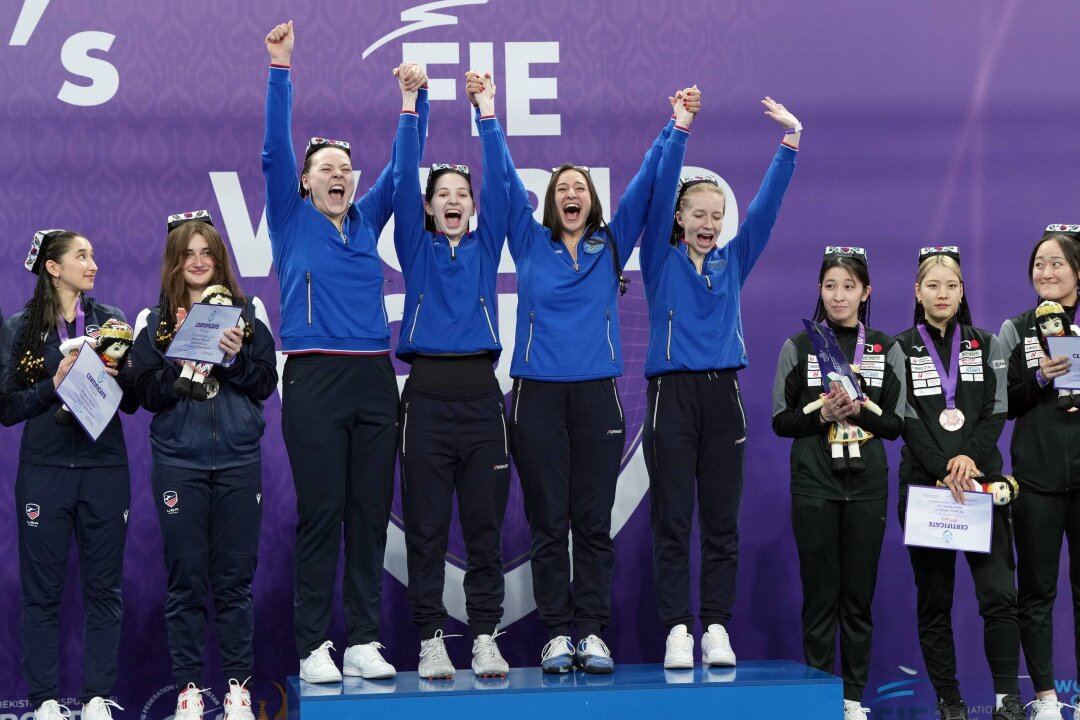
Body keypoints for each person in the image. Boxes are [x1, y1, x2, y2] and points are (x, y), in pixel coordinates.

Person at [461, 70, 674, 674]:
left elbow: (646, 186)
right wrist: (487, 113)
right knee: (549, 522)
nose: (571, 194)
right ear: (552, 201)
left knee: (593, 523)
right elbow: (503, 179)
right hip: (536, 399)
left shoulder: (612, 244)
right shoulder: (529, 242)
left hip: (597, 398)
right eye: (562, 188)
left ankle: (593, 633)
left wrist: (674, 129)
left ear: (592, 201)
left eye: (580, 187)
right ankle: (558, 632)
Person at [262, 21, 428, 683]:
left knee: (368, 514)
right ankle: (312, 647)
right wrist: (280, 68)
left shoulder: (366, 219)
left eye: (345, 169)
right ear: (305, 183)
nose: (339, 174)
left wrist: (412, 101)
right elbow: (275, 150)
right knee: (322, 512)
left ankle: (362, 640)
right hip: (314, 378)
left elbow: (404, 169)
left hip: (374, 380)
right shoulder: (289, 218)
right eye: (325, 168)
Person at [638, 92, 800, 670]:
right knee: (672, 521)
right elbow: (659, 194)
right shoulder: (658, 261)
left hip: (723, 396)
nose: (709, 224)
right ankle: (677, 630)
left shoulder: (734, 261)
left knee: (721, 523)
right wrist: (681, 129)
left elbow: (766, 212)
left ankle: (715, 627)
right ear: (679, 219)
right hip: (672, 397)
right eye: (698, 214)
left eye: (716, 216)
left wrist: (790, 143)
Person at [131, 212, 277, 719]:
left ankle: (238, 694)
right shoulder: (153, 321)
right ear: (174, 261)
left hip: (238, 460)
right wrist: (179, 366)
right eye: (188, 253)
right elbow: (143, 394)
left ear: (219, 258)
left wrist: (233, 360)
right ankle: (189, 694)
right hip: (179, 462)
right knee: (186, 583)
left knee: (235, 584)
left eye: (206, 252)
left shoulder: (248, 311)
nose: (198, 261)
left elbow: (265, 382)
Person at [392, 69, 511, 679]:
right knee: (428, 530)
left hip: (483, 397)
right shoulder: (415, 245)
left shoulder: (487, 245)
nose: (454, 200)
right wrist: (412, 103)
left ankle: (486, 634)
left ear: (473, 205)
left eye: (462, 192)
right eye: (442, 193)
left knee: (485, 527)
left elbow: (505, 184)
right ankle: (431, 638)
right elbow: (402, 172)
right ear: (428, 207)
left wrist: (486, 111)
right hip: (427, 398)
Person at [0, 229, 137, 720]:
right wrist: (53, 386)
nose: (93, 263)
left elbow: (133, 401)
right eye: (82, 256)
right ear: (53, 268)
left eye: (93, 255)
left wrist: (121, 376)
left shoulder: (111, 321)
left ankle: (97, 697)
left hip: (105, 469)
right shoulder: (20, 328)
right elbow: (6, 408)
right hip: (46, 472)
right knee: (42, 595)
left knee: (105, 590)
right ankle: (44, 703)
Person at [771, 247, 905, 719]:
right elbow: (780, 421)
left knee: (857, 601)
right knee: (820, 599)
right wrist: (822, 414)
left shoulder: (886, 348)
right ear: (819, 290)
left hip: (867, 488)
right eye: (830, 286)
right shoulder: (799, 346)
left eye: (849, 286)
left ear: (866, 292)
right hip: (814, 486)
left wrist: (860, 408)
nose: (839, 295)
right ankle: (820, 700)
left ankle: (852, 701)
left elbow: (896, 425)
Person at [894, 247, 1022, 720]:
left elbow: (997, 409)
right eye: (933, 285)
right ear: (917, 291)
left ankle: (1007, 701)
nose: (942, 293)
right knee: (935, 603)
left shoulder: (987, 344)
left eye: (951, 285)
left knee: (999, 596)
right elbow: (905, 417)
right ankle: (950, 703)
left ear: (962, 291)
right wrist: (943, 466)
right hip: (928, 489)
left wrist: (969, 458)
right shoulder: (899, 348)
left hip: (980, 486)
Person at [998, 225, 1080, 720]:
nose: (1046, 272)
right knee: (1036, 593)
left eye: (1057, 263)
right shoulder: (1016, 329)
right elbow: (1003, 403)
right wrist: (1038, 378)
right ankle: (1046, 698)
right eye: (1039, 263)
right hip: (1035, 482)